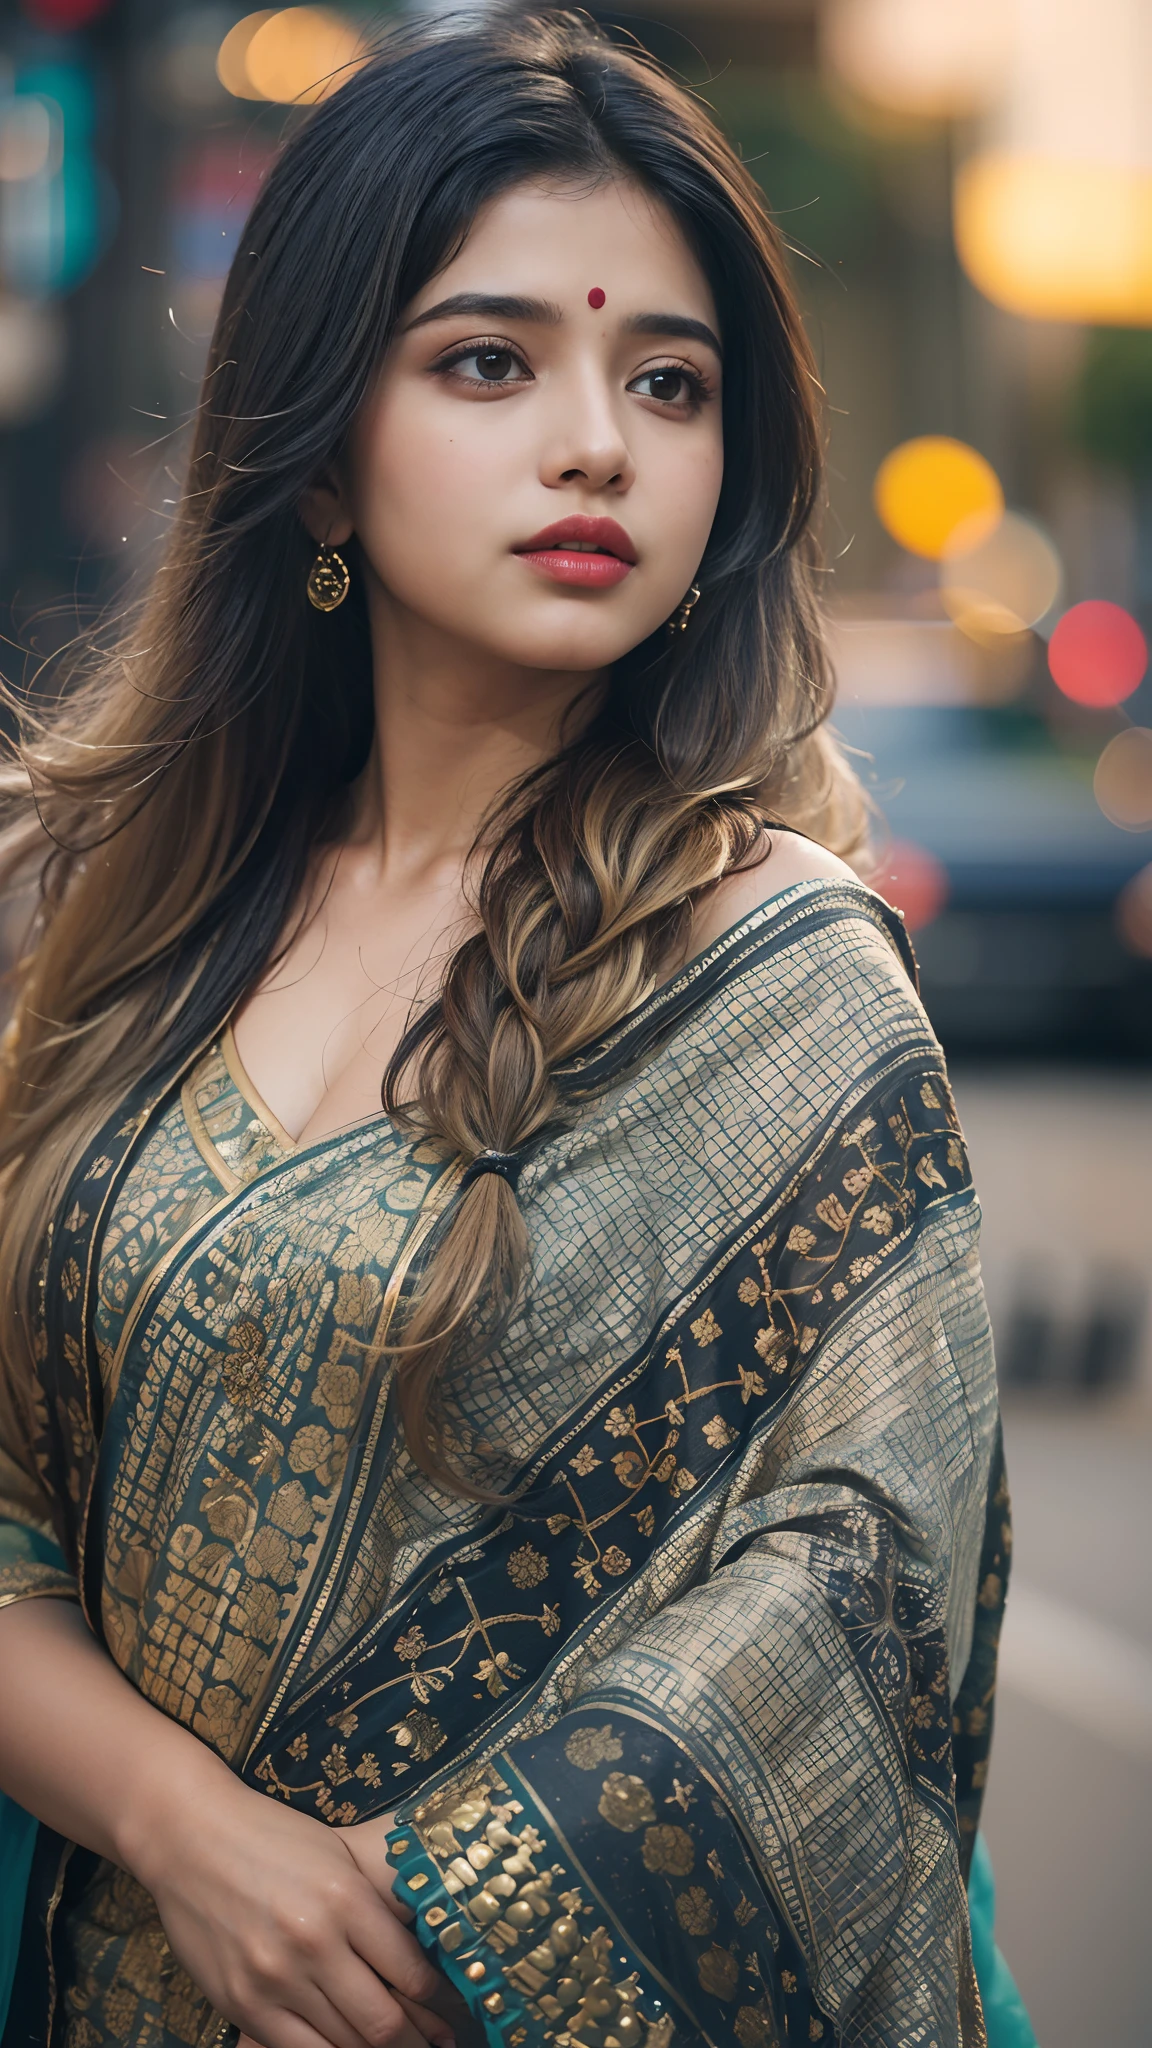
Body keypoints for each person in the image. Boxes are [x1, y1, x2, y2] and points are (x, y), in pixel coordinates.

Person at [0, 10, 1025, 2047]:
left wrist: (449, 1908)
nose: (599, 443)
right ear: (314, 453)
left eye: (671, 382)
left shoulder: (782, 970)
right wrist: (200, 1839)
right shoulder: (111, 925)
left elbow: (864, 1583)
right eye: (491, 363)